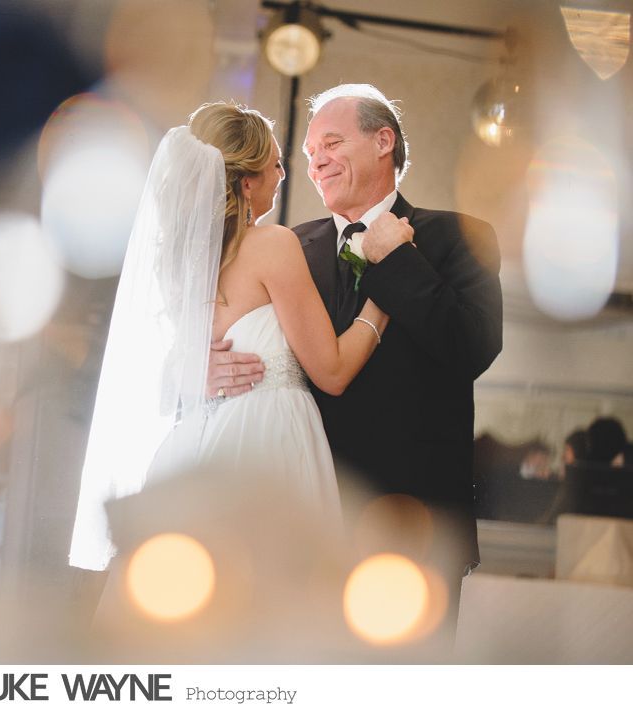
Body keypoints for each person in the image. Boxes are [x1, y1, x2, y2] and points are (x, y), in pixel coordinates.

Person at [208, 85, 503, 623]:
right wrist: (200, 369)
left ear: (383, 141)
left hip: (415, 521)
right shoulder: (285, 245)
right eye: (309, 151)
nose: (315, 159)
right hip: (302, 518)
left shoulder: (460, 237)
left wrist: (395, 262)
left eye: (332, 142)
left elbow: (473, 346)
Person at [69, 102, 406, 572]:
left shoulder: (177, 263)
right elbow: (332, 372)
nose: (286, 172)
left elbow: (165, 364)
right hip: (269, 441)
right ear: (246, 182)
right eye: (275, 163)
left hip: (197, 442)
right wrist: (387, 290)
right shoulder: (273, 246)